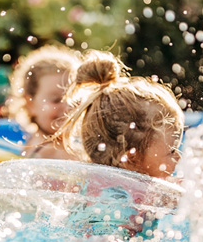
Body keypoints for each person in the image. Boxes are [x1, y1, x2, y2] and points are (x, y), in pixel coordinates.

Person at [58, 50, 184, 180]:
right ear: (131, 160)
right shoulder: (132, 198)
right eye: (172, 151)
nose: (179, 157)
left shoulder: (88, 185)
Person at [6, 45, 81, 159]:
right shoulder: (52, 151)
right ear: (30, 104)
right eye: (56, 100)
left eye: (75, 98)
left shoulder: (32, 144)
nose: (68, 107)